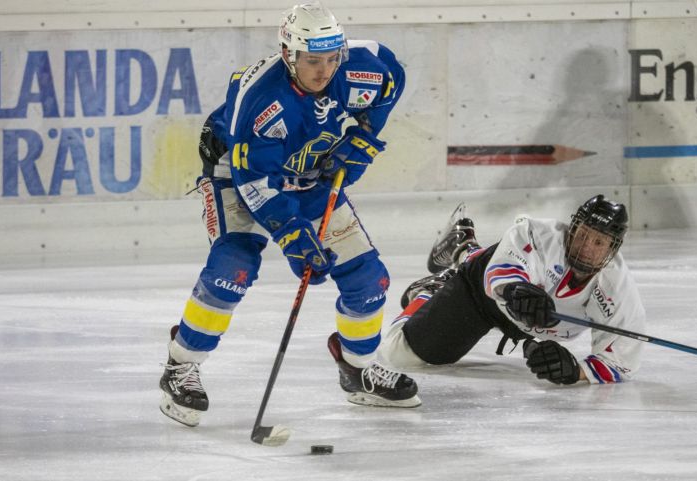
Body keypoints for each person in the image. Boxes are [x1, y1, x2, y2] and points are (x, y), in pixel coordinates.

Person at [159, 1, 419, 428]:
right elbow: (255, 182)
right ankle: (181, 364)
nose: (324, 71)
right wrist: (294, 237)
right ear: (288, 54)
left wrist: (366, 136)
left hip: (310, 174)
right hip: (238, 175)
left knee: (369, 280)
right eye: (312, 60)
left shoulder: (358, 69)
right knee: (234, 266)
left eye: (332, 59)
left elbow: (393, 77)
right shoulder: (260, 97)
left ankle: (357, 367)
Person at [380, 196, 646, 387]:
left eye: (599, 242)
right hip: (481, 298)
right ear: (573, 227)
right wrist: (516, 290)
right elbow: (504, 268)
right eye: (583, 235)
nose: (586, 247)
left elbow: (620, 359)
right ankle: (429, 290)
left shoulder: (617, 288)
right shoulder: (538, 234)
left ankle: (465, 246)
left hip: (526, 326)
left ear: (613, 248)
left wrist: (576, 371)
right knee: (402, 354)